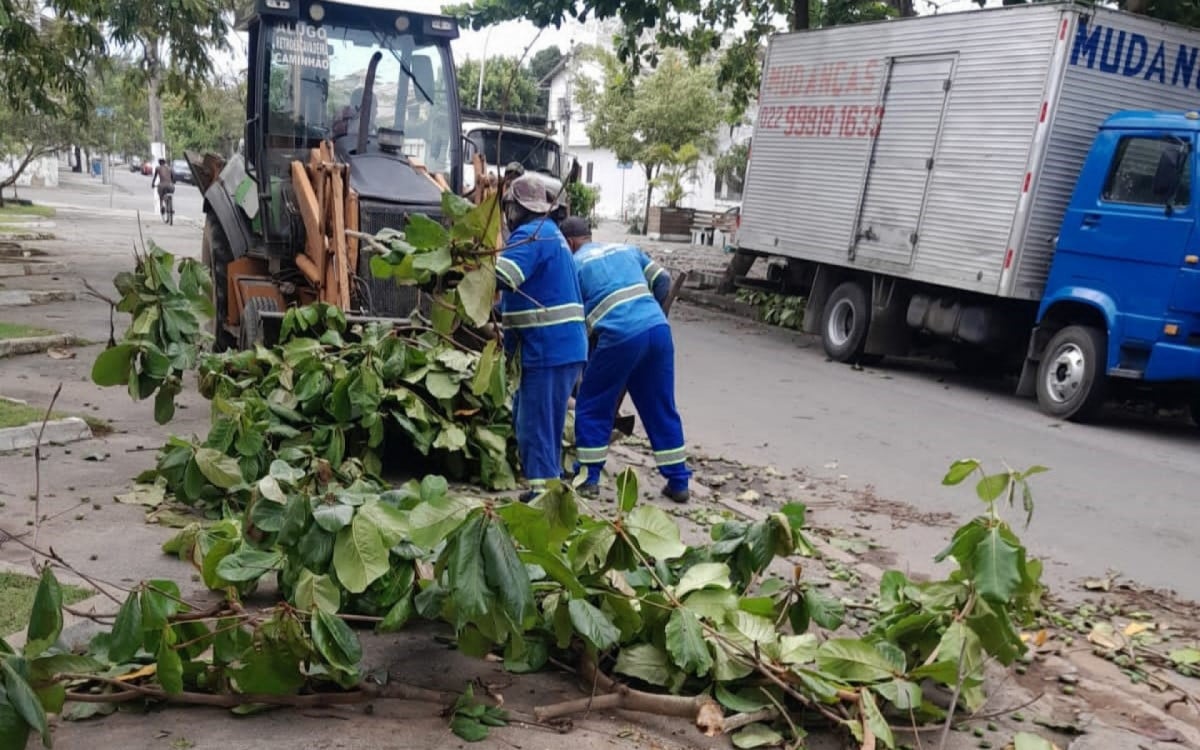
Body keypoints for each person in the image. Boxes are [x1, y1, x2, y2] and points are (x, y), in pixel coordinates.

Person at [559, 216, 691, 503]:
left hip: (618, 336)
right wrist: (647, 311)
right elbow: (663, 280)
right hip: (657, 330)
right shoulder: (625, 250)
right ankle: (679, 481)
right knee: (660, 406)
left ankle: (589, 477)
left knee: (593, 403)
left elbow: (571, 316)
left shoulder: (574, 264)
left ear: (568, 242)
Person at [495, 175, 588, 501]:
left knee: (538, 426)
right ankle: (541, 490)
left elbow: (503, 276)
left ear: (515, 210)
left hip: (549, 349)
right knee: (532, 422)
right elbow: (532, 288)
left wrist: (457, 269)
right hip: (554, 348)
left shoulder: (531, 236)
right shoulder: (550, 235)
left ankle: (544, 500)